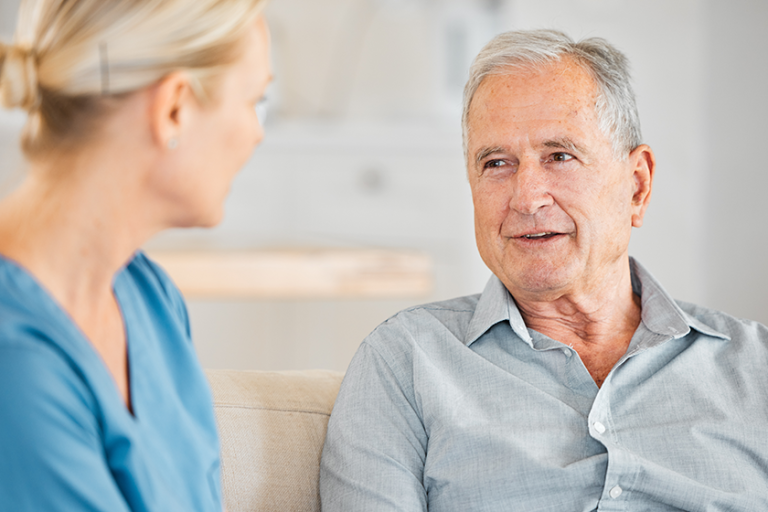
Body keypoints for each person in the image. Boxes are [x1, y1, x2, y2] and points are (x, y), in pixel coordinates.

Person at [320, 29, 768, 511]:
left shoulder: (755, 369)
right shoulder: (405, 361)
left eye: (560, 156)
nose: (527, 196)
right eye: (496, 163)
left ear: (637, 186)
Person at [0, 0, 272, 509]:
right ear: (174, 108)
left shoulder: (150, 299)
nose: (256, 132)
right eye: (254, 100)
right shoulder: (15, 363)